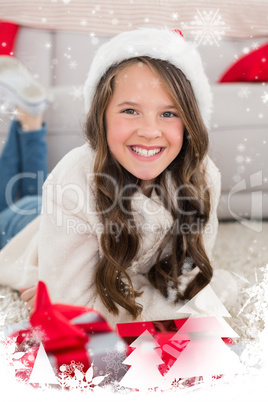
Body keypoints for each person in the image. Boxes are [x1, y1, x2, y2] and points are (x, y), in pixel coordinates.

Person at [0, 28, 236, 328]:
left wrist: (194, 298)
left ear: (191, 122)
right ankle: (30, 122)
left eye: (168, 114)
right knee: (17, 195)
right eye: (130, 110)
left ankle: (30, 118)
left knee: (31, 188)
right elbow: (74, 310)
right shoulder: (72, 177)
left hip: (51, 209)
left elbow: (185, 283)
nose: (150, 131)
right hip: (19, 229)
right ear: (101, 117)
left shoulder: (201, 177)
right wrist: (204, 301)